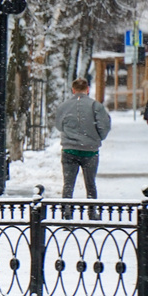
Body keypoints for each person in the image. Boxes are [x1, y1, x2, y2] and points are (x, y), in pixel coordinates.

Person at [55, 78, 111, 214]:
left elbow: (58, 125)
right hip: (90, 150)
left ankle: (66, 212)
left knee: (68, 184)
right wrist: (96, 138)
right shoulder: (95, 106)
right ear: (88, 89)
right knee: (91, 184)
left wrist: (70, 134)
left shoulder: (64, 106)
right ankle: (92, 212)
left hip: (69, 150)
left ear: (73, 90)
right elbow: (104, 126)